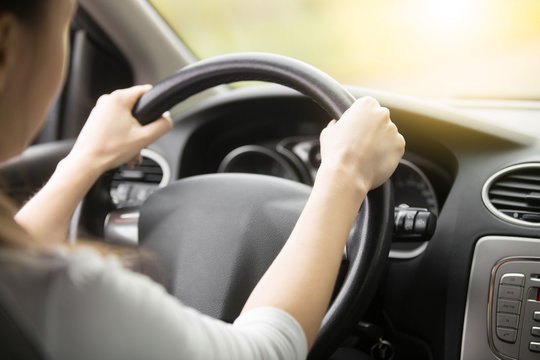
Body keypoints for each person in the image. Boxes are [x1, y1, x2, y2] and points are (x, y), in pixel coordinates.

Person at [0, 0, 405, 359]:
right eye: (65, 24)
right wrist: (344, 174)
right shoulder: (65, 295)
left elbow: (18, 251)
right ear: (6, 43)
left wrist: (84, 161)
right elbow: (267, 351)